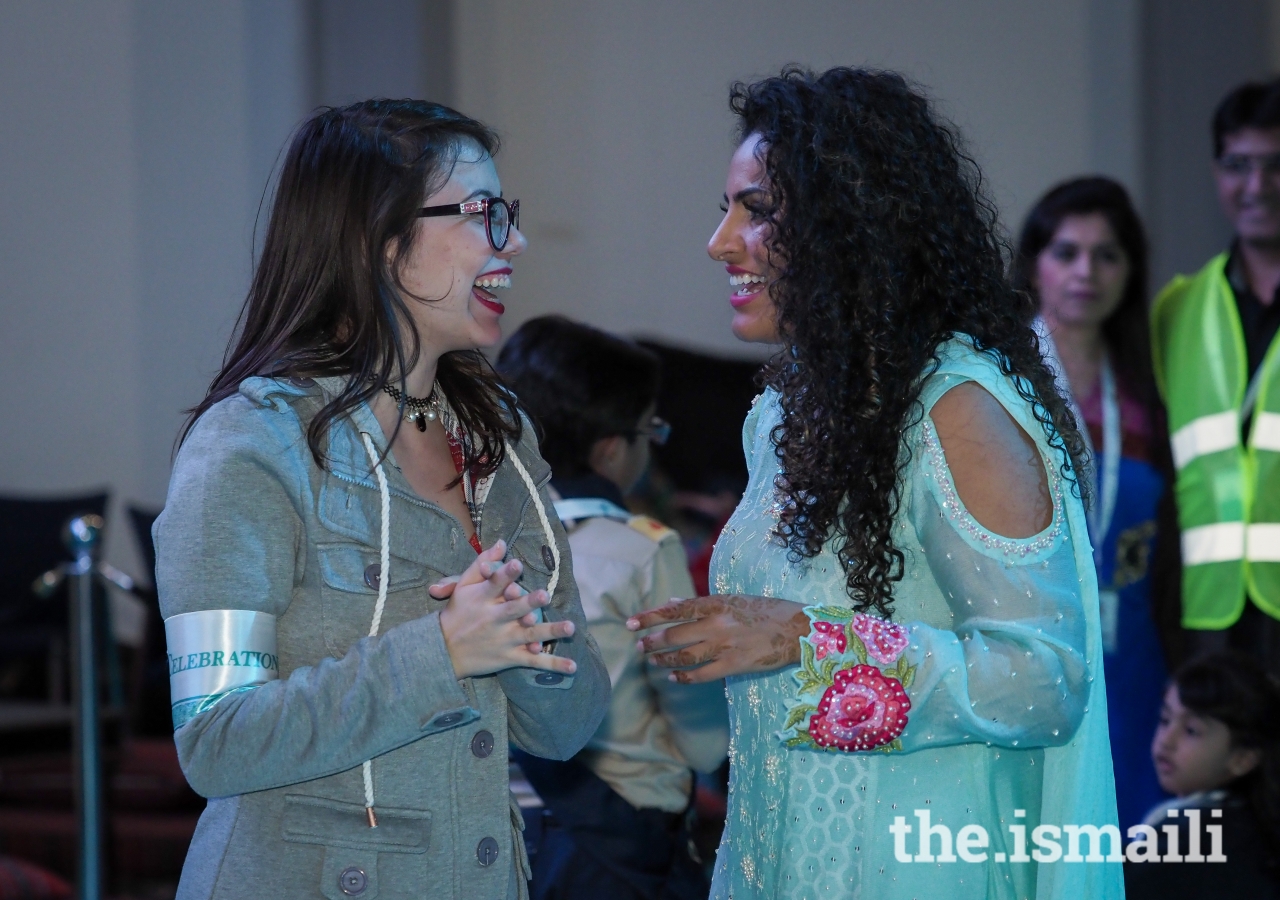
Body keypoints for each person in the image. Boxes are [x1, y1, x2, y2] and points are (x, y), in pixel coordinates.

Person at [627, 67, 1122, 899]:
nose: (720, 242)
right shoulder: (786, 412)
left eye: (757, 211)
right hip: (779, 863)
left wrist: (808, 645)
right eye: (726, 209)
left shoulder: (956, 407)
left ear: (850, 227)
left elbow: (1047, 678)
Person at [154, 100, 610, 900]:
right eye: (481, 213)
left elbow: (570, 729)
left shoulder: (501, 439)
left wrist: (525, 644)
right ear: (377, 239)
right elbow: (215, 741)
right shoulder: (252, 442)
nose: (515, 241)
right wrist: (443, 652)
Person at [496, 315, 729, 900]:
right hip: (618, 844)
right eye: (650, 427)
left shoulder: (480, 540)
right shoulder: (641, 549)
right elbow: (703, 741)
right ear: (609, 450)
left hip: (503, 832)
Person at [1014, 177, 1172, 830]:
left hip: (1131, 658)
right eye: (1067, 252)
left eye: (1107, 255)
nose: (1087, 272)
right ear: (1033, 265)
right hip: (1024, 649)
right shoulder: (994, 378)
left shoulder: (1150, 386)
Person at [1151, 77, 1280, 673]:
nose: (1258, 186)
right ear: (1215, 172)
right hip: (1208, 625)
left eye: (1277, 165)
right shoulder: (1177, 311)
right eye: (1238, 165)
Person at [1125, 651, 1280, 898]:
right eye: (1165, 719)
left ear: (1242, 759)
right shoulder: (1248, 825)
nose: (1167, 741)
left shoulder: (1197, 844)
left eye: (1191, 730)